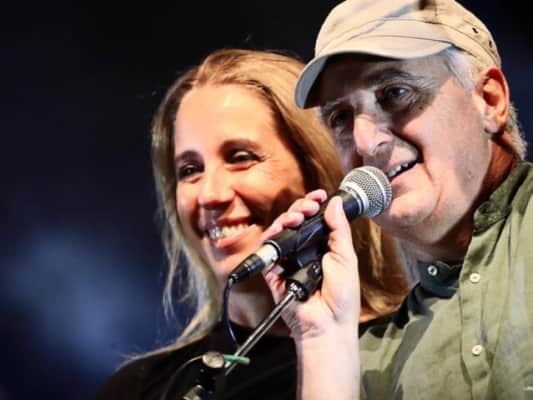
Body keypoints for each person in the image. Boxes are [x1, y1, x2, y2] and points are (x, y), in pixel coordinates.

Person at [96, 48, 411, 400]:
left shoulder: (408, 359)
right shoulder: (139, 389)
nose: (210, 194)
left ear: (317, 170)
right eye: (190, 170)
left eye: (241, 158)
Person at [262, 0, 533, 399]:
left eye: (395, 93)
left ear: (489, 100)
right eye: (341, 118)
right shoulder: (370, 363)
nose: (365, 142)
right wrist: (321, 339)